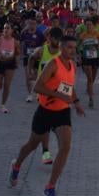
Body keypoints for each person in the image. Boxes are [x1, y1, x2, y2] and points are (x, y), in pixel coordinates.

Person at [8, 35, 85, 196]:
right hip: (45, 111)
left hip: (62, 112)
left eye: (74, 47)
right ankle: (16, 165)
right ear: (62, 47)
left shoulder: (72, 65)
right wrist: (57, 94)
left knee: (65, 146)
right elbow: (38, 87)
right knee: (32, 145)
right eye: (69, 47)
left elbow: (69, 87)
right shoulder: (53, 64)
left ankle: (50, 187)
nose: (72, 50)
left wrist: (77, 103)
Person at [27, 27, 63, 165]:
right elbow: (31, 58)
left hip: (59, 93)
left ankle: (56, 150)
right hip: (44, 93)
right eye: (53, 38)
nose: (55, 41)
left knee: (58, 124)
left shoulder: (62, 53)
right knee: (47, 125)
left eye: (58, 39)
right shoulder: (42, 50)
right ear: (49, 38)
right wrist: (31, 72)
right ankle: (46, 151)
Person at [0, 23, 19, 114]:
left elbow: (18, 53)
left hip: (10, 64)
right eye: (4, 28)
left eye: (8, 28)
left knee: (7, 85)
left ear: (12, 30)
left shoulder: (15, 42)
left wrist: (16, 61)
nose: (6, 30)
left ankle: (3, 105)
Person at [77, 17, 99, 108]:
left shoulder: (97, 34)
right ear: (85, 26)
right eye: (87, 25)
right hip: (86, 58)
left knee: (93, 78)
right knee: (90, 78)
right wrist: (79, 56)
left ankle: (89, 88)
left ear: (93, 25)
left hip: (96, 57)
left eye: (90, 24)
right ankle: (91, 98)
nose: (89, 26)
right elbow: (77, 46)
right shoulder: (83, 35)